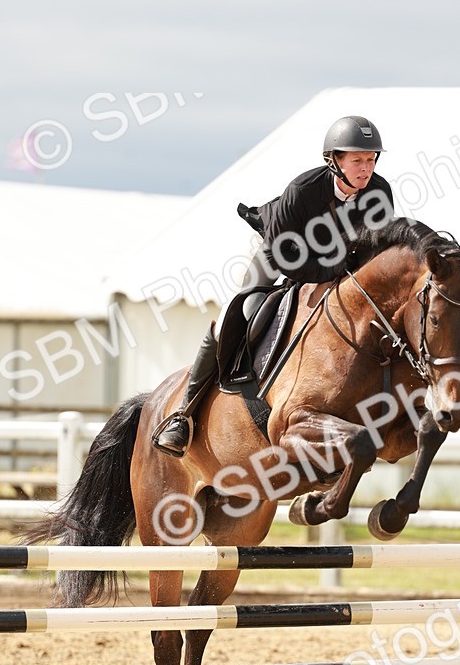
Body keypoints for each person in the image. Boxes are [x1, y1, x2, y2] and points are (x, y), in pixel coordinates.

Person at [152, 115, 394, 457]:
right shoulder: (303, 191)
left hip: (336, 262)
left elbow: (376, 249)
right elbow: (285, 258)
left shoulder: (379, 191)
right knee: (237, 313)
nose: (365, 169)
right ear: (334, 161)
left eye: (370, 160)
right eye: (356, 160)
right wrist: (330, 268)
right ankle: (184, 414)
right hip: (281, 252)